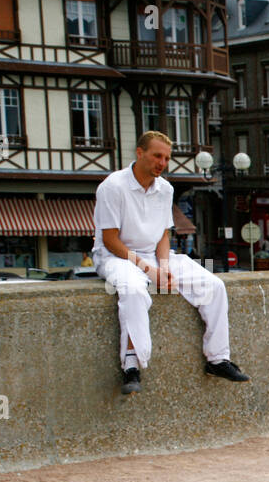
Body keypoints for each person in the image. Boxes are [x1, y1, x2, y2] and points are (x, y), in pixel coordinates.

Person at [93, 130, 249, 394]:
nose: (162, 163)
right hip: (115, 256)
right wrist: (148, 269)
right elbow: (110, 240)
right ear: (139, 153)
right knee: (132, 291)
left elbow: (163, 235)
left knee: (214, 285)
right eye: (157, 156)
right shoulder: (112, 186)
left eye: (166, 158)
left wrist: (163, 267)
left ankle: (217, 358)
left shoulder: (165, 189)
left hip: (155, 254)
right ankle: (132, 366)